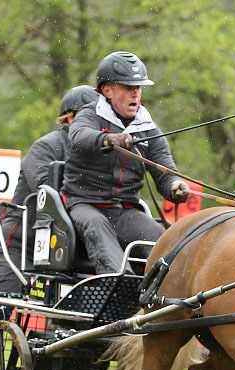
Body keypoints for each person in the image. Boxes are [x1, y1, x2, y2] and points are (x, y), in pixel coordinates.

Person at [61, 51, 189, 274]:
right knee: (99, 230)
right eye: (128, 88)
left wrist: (174, 185)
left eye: (138, 88)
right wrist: (109, 139)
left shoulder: (147, 126)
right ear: (108, 90)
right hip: (85, 205)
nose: (135, 94)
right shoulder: (89, 114)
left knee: (165, 245)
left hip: (125, 211)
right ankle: (121, 287)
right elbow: (78, 136)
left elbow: (163, 167)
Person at [0, 85, 98, 293]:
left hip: (65, 245)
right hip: (24, 240)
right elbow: (48, 190)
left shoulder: (93, 153)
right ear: (71, 119)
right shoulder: (46, 146)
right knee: (1, 301)